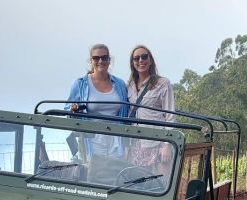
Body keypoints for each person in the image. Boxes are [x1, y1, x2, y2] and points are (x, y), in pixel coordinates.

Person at [65, 44, 129, 161]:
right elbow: (67, 110)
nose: (100, 61)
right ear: (91, 61)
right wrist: (73, 110)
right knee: (93, 175)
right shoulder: (80, 84)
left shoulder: (120, 84)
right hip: (92, 140)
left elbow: (126, 110)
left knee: (116, 176)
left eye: (104, 58)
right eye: (96, 58)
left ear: (109, 60)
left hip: (116, 140)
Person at [126, 45, 176, 178]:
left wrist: (167, 145)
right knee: (138, 186)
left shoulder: (163, 84)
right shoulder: (129, 86)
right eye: (136, 58)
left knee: (161, 184)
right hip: (136, 144)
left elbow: (170, 116)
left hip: (157, 143)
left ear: (150, 60)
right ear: (132, 63)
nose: (141, 60)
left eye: (144, 57)